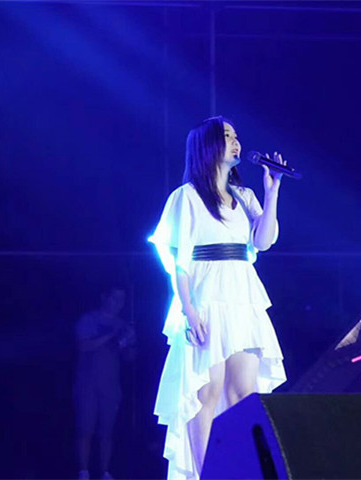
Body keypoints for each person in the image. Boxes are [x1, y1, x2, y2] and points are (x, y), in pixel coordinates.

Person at [149, 116, 287, 480]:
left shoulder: (245, 197)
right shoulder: (187, 197)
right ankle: (207, 474)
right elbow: (179, 263)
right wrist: (189, 311)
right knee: (206, 393)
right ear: (208, 145)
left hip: (243, 298)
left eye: (236, 135)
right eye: (227, 135)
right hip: (206, 299)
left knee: (244, 394)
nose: (236, 141)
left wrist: (272, 192)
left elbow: (263, 241)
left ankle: (242, 471)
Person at [73, 286, 136, 480]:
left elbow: (130, 358)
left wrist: (128, 343)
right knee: (85, 429)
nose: (118, 304)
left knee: (107, 431)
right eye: (115, 298)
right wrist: (112, 334)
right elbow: (83, 345)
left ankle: (105, 472)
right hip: (86, 385)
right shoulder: (88, 320)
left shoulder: (124, 325)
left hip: (111, 386)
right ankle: (83, 471)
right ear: (104, 297)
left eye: (122, 300)